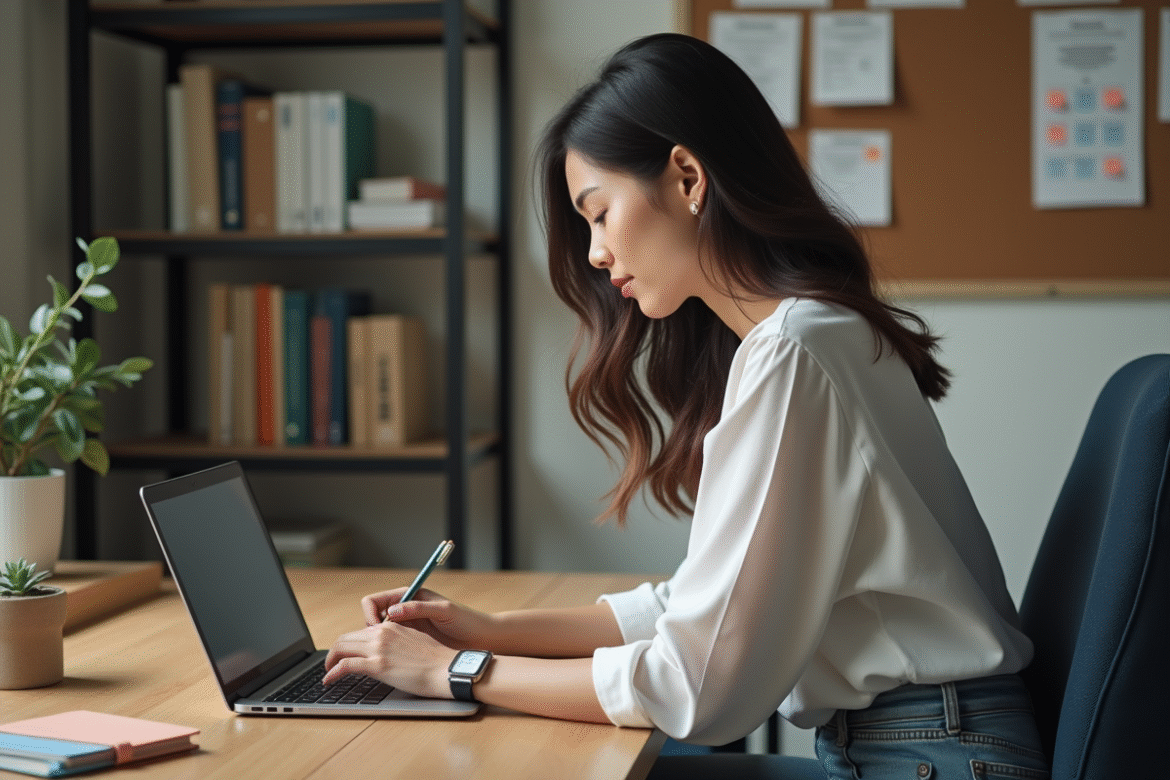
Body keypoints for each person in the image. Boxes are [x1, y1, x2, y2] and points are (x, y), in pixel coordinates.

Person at [324, 33, 1050, 779]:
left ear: (687, 178)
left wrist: (457, 670)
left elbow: (698, 690)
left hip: (933, 759)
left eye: (599, 213)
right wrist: (494, 629)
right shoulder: (808, 335)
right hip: (930, 746)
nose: (596, 253)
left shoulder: (795, 350)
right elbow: (699, 603)